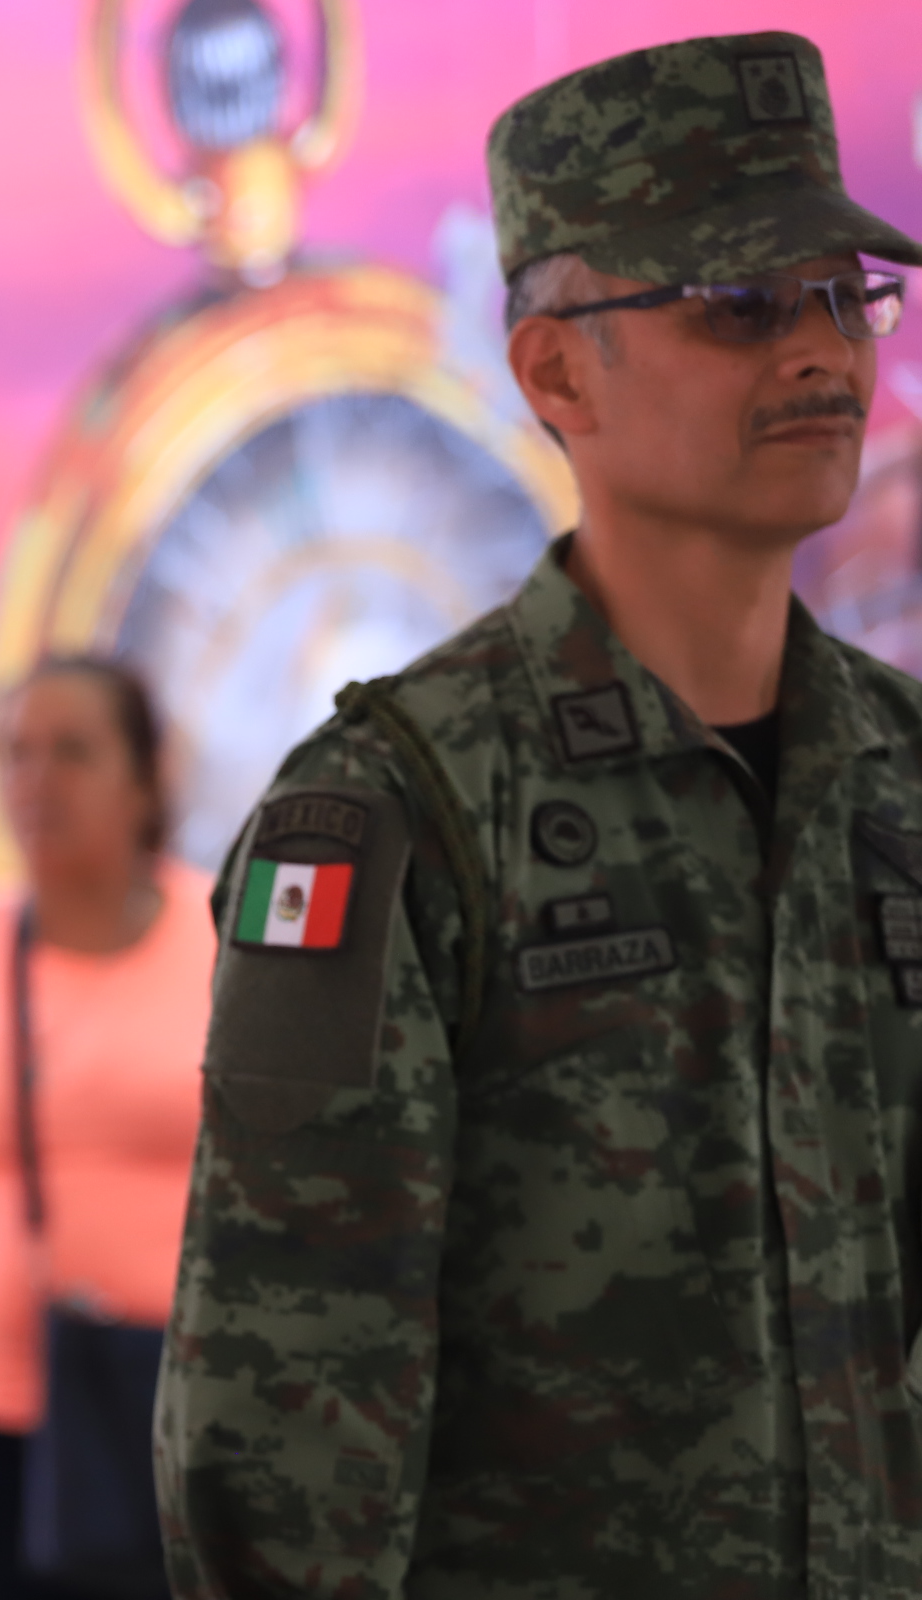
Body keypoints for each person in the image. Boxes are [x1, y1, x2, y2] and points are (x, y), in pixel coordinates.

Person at [155, 32, 922, 1598]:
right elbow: (284, 1446)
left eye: (846, 295)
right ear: (558, 370)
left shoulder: (903, 776)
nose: (822, 353)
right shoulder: (393, 812)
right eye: (740, 302)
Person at [0, 659, 210, 1600]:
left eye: (72, 751)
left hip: (178, 1411)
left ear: (146, 777)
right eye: (16, 753)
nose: (35, 781)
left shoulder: (226, 940)